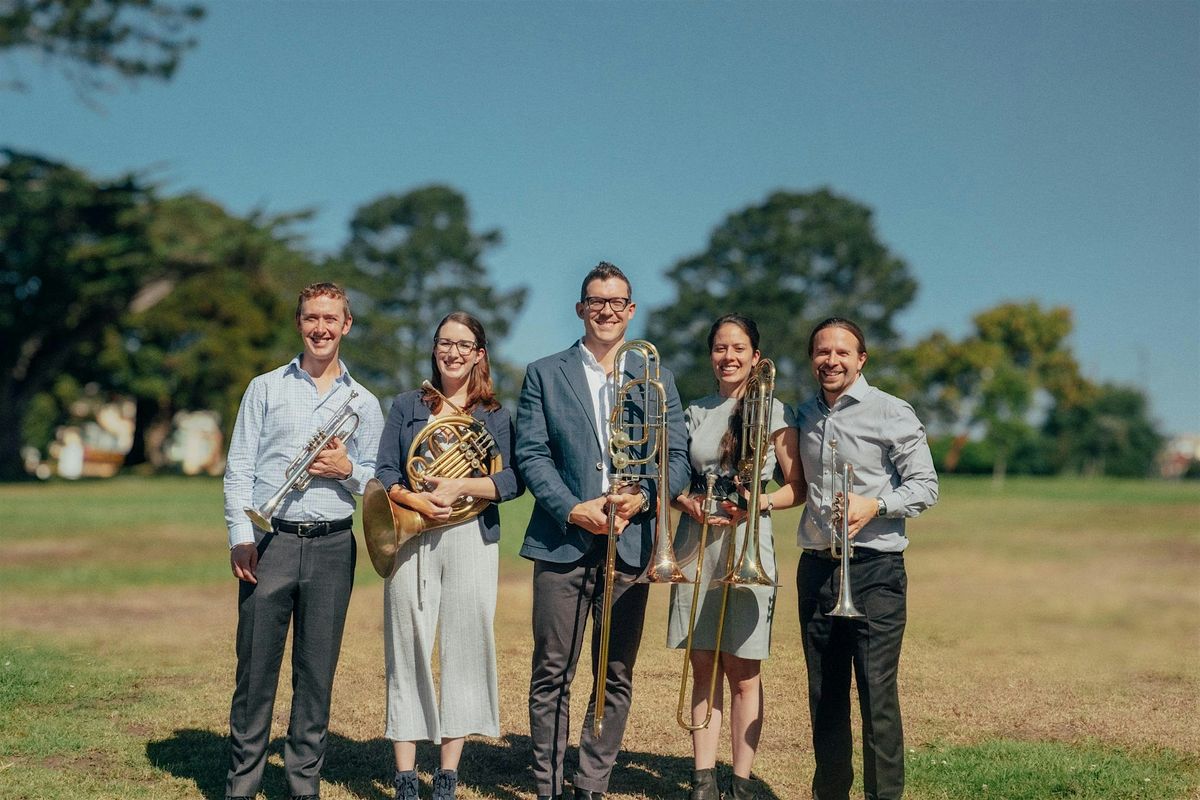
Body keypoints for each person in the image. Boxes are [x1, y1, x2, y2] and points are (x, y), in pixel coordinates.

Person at [515, 262, 690, 800]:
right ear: (580, 308)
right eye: (597, 301)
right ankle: (547, 786)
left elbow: (677, 457)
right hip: (564, 539)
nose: (607, 311)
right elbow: (531, 452)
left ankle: (592, 784)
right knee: (552, 671)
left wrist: (642, 497)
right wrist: (573, 509)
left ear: (631, 310)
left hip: (633, 542)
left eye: (617, 302)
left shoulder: (656, 378)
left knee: (615, 673)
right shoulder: (545, 372)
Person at [222, 282, 385, 800]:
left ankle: (302, 786)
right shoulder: (264, 387)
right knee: (255, 673)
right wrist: (240, 536)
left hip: (334, 546)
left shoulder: (365, 402)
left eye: (331, 319)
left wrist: (347, 469)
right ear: (300, 323)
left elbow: (380, 483)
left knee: (316, 675)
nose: (321, 328)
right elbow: (239, 468)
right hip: (270, 543)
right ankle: (242, 786)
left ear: (346, 325)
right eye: (312, 318)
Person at [374, 311, 524, 800]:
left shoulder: (495, 415)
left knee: (464, 645)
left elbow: (511, 480)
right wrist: (417, 501)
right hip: (412, 533)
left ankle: (447, 773)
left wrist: (459, 485)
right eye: (444, 342)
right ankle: (403, 774)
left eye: (463, 344)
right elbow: (385, 470)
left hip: (471, 538)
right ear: (434, 348)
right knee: (407, 646)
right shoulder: (405, 405)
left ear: (479, 353)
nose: (452, 352)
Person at [793, 317, 939, 800]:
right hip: (817, 568)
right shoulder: (803, 415)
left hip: (875, 570)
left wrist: (874, 504)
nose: (830, 361)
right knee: (825, 697)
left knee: (877, 698)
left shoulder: (892, 412)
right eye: (821, 352)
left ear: (861, 359)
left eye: (841, 352)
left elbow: (925, 487)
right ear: (812, 357)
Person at [667, 314, 806, 800]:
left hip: (748, 543)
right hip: (696, 543)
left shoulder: (777, 412)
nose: (728, 356)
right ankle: (703, 778)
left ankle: (742, 781)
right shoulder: (693, 410)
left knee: (744, 669)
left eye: (738, 348)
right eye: (720, 348)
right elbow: (673, 474)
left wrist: (755, 504)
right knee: (702, 663)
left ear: (755, 355)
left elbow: (796, 489)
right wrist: (685, 501)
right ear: (711, 355)